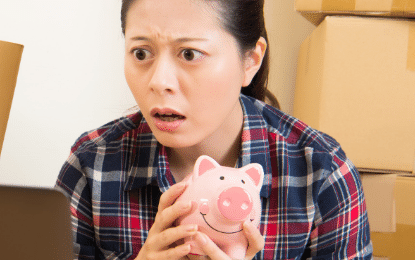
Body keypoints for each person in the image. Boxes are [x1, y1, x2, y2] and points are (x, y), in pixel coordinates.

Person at [54, 0, 373, 259]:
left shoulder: (322, 172)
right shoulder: (91, 165)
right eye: (141, 53)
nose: (159, 82)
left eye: (189, 54)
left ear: (250, 60)